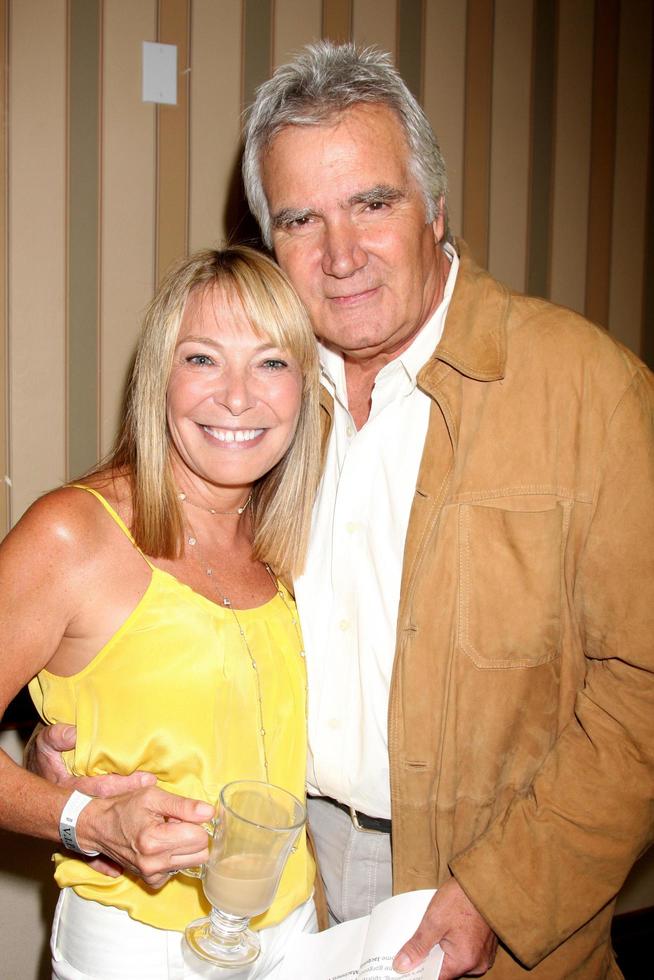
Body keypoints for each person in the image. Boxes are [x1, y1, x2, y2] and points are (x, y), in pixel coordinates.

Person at [31, 43, 654, 979]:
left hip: (495, 882)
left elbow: (643, 688)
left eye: (373, 202)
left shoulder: (588, 392)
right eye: (301, 218)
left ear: (435, 207)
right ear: (268, 241)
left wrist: (505, 890)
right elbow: (168, 618)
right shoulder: (261, 412)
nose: (341, 254)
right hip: (283, 884)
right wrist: (71, 757)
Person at [1, 245, 321, 979]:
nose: (238, 397)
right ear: (160, 378)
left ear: (304, 386)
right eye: (203, 359)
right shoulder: (73, 533)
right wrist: (84, 820)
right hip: (140, 943)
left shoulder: (291, 542)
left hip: (292, 930)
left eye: (271, 362)